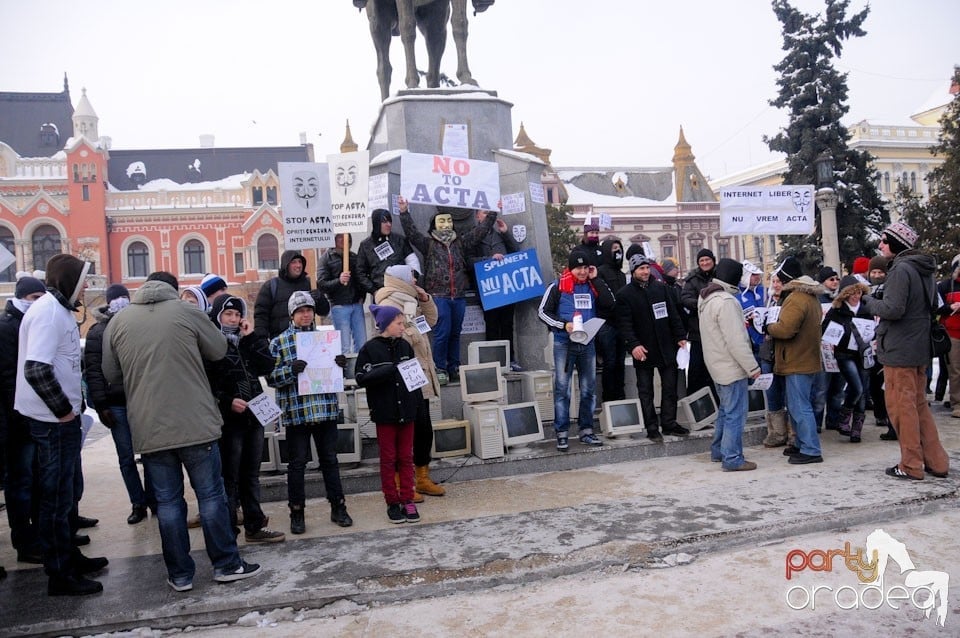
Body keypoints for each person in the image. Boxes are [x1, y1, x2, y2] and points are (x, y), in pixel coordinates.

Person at [103, 271, 261, 592]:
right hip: (197, 424)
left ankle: (180, 575)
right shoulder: (187, 311)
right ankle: (226, 564)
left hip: (151, 428)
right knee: (211, 495)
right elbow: (218, 349)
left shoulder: (119, 322)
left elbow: (111, 373)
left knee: (168, 504)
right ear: (174, 290)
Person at [16, 255, 108, 596]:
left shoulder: (58, 310)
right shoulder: (48, 314)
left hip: (59, 420)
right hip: (53, 422)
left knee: (65, 495)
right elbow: (36, 369)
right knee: (54, 499)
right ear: (70, 280)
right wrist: (63, 411)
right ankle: (60, 574)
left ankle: (69, 556)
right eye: (83, 280)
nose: (86, 286)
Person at [860, 222, 950, 480]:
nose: (880, 245)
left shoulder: (900, 269)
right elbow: (932, 305)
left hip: (900, 349)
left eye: (885, 241)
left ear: (898, 244)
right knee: (919, 406)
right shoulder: (925, 269)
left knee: (902, 408)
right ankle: (937, 462)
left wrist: (869, 301)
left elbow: (893, 309)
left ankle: (910, 465)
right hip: (919, 346)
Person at [268, 291, 353, 535]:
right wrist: (290, 371)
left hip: (325, 410)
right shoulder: (279, 342)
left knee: (330, 460)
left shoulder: (326, 339)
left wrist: (339, 365)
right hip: (297, 413)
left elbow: (338, 375)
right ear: (292, 315)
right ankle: (297, 512)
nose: (306, 315)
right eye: (300, 311)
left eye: (309, 310)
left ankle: (338, 507)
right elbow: (271, 378)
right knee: (297, 464)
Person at [206, 294, 285, 544]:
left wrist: (251, 338)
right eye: (228, 314)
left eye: (237, 314)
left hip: (254, 416)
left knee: (251, 474)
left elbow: (267, 366)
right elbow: (205, 382)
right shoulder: (209, 343)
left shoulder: (246, 340)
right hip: (229, 421)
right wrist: (226, 401)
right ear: (218, 316)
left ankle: (254, 524)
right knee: (229, 477)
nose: (233, 319)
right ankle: (230, 532)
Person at [398, 196, 495, 385]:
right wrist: (404, 212)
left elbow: (480, 232)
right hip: (438, 296)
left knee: (455, 333)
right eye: (442, 221)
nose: (446, 224)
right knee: (442, 333)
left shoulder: (460, 242)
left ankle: (454, 366)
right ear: (434, 225)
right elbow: (412, 233)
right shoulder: (429, 244)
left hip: (458, 296)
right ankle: (440, 367)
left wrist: (492, 213)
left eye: (449, 221)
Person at [83, 284, 154, 525]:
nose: (120, 304)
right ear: (108, 303)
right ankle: (138, 502)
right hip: (115, 404)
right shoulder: (97, 332)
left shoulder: (140, 324)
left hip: (142, 400)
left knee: (152, 453)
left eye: (124, 299)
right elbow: (92, 371)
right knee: (126, 457)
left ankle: (155, 499)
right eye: (117, 300)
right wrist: (101, 404)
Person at [374, 264, 445, 500]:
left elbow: (432, 320)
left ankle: (423, 478)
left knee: (424, 429)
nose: (415, 280)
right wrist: (412, 327)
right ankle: (400, 483)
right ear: (402, 279)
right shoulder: (389, 302)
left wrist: (425, 298)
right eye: (412, 277)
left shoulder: (412, 300)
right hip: (402, 378)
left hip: (420, 374)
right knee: (405, 433)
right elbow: (395, 336)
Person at [538, 248, 615, 450]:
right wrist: (563, 325)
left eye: (585, 268)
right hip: (564, 343)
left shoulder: (592, 285)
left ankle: (587, 431)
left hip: (587, 343)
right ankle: (562, 433)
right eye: (578, 268)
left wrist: (596, 279)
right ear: (570, 268)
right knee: (562, 390)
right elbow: (542, 312)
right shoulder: (557, 286)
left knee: (589, 389)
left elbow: (610, 303)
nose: (582, 272)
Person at [355, 305, 424, 524]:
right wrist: (390, 369)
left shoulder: (405, 346)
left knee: (406, 457)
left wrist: (418, 405)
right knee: (388, 459)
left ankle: (407, 498)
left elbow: (414, 380)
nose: (403, 328)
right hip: (385, 413)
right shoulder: (370, 349)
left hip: (407, 412)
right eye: (399, 323)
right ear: (386, 325)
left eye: (403, 323)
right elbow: (362, 377)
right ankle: (392, 502)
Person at [698, 259, 762, 471]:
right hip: (731, 366)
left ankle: (719, 450)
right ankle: (733, 458)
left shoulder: (706, 297)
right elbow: (736, 340)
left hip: (716, 363)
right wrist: (752, 367)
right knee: (735, 413)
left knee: (726, 411)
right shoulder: (727, 302)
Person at [616, 254, 688, 441]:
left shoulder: (661, 288)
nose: (646, 271)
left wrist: (680, 336)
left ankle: (669, 423)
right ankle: (651, 428)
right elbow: (625, 325)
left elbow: (673, 314)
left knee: (670, 388)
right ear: (633, 271)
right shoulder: (625, 295)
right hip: (643, 350)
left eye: (647, 268)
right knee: (646, 391)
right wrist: (633, 345)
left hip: (666, 347)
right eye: (641, 268)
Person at [2, 276, 46, 566]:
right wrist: (20, 415)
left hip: (29, 419)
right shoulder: (8, 329)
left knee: (35, 481)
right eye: (32, 298)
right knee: (20, 483)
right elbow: (9, 379)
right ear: (21, 299)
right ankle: (25, 542)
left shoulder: (26, 324)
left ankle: (38, 537)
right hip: (17, 422)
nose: (36, 304)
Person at [765, 257, 825, 465]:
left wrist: (768, 326)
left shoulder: (797, 298)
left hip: (797, 359)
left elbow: (786, 329)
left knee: (800, 407)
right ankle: (801, 444)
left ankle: (811, 449)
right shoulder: (808, 297)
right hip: (804, 357)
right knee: (797, 405)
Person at [468, 207, 522, 371]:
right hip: (488, 290)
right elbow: (468, 261)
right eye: (484, 212)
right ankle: (493, 362)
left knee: (507, 326)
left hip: (506, 289)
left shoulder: (499, 234)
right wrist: (489, 260)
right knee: (491, 326)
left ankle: (509, 360)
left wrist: (506, 233)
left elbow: (516, 252)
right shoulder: (471, 237)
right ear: (477, 216)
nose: (488, 215)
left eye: (489, 212)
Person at [822, 276, 874, 443]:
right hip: (844, 354)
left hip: (863, 353)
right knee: (857, 387)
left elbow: (874, 328)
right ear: (844, 294)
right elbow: (826, 330)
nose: (856, 296)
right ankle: (844, 416)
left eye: (858, 292)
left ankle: (856, 428)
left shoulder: (866, 309)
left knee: (862, 390)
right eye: (852, 293)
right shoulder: (836, 310)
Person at [254, 250, 330, 340]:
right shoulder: (271, 286)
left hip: (307, 340)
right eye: (293, 262)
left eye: (300, 262)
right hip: (280, 341)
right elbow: (261, 315)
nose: (298, 265)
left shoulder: (311, 284)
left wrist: (320, 298)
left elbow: (324, 311)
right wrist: (261, 340)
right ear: (285, 265)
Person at [356, 208, 421, 300]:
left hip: (404, 290)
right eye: (384, 222)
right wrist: (374, 291)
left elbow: (412, 260)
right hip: (382, 294)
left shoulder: (400, 240)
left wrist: (414, 276)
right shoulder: (365, 245)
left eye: (390, 221)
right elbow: (360, 273)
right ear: (376, 223)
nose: (389, 224)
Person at [318, 233, 367, 354]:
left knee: (362, 344)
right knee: (344, 347)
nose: (344, 239)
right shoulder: (326, 259)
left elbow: (361, 278)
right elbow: (322, 284)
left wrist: (362, 296)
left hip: (356, 304)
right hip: (339, 306)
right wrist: (338, 281)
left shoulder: (354, 257)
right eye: (340, 236)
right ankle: (345, 371)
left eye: (346, 236)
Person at [759, 271, 790, 448]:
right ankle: (777, 433)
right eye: (774, 281)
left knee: (787, 393)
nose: (776, 285)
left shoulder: (789, 302)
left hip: (783, 353)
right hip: (767, 353)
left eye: (779, 281)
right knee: (771, 394)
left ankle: (792, 432)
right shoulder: (767, 300)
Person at [680, 248, 717, 397]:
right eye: (702, 260)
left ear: (713, 260)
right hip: (698, 333)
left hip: (717, 332)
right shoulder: (692, 279)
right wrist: (704, 304)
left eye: (707, 259)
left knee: (715, 369)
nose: (705, 262)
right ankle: (696, 402)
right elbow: (685, 298)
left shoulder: (720, 276)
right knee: (696, 369)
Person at [867, 255, 895, 441]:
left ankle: (892, 420)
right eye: (874, 272)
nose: (877, 276)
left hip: (889, 344)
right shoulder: (865, 292)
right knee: (875, 383)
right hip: (870, 344)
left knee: (890, 385)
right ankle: (879, 413)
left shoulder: (892, 291)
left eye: (880, 272)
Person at [813, 265, 844, 432]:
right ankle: (816, 422)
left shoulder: (840, 299)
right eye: (831, 279)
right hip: (822, 349)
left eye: (837, 279)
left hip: (839, 348)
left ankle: (833, 419)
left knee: (838, 388)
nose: (835, 282)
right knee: (821, 389)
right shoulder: (817, 299)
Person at [595, 238, 627, 402]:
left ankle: (620, 395)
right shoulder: (600, 272)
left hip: (621, 324)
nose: (618, 252)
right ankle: (609, 398)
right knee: (610, 362)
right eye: (614, 249)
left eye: (619, 248)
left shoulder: (621, 274)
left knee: (620, 363)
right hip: (607, 324)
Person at [935, 253, 960, 418]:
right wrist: (951, 307)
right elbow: (936, 306)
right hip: (952, 333)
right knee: (955, 370)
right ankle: (957, 403)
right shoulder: (945, 286)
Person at [738, 260, 766, 363]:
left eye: (758, 274)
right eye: (753, 275)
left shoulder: (764, 291)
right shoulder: (737, 296)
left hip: (767, 341)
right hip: (750, 344)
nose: (757, 277)